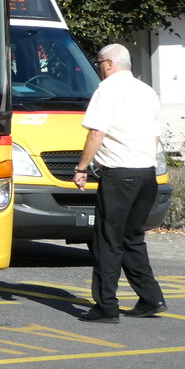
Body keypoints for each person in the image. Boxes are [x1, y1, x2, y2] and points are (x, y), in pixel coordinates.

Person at [73, 43, 167, 323]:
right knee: (132, 238)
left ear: (109, 64)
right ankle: (150, 298)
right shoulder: (147, 91)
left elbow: (96, 132)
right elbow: (155, 137)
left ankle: (106, 306)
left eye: (99, 63)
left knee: (108, 240)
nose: (99, 68)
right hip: (146, 174)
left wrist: (81, 168)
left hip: (119, 174)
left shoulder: (107, 90)